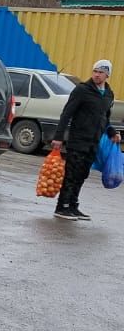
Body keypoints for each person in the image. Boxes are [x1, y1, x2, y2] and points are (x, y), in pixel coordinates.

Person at [52, 59, 118, 222]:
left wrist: (111, 132)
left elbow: (105, 117)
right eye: (95, 71)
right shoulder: (82, 90)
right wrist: (58, 137)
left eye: (100, 72)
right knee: (72, 173)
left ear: (107, 75)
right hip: (78, 140)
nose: (96, 75)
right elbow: (66, 114)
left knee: (82, 174)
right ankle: (62, 207)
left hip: (93, 141)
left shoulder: (108, 94)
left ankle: (73, 205)